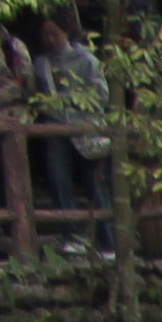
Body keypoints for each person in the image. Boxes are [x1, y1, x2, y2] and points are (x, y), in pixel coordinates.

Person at [29, 15, 109, 250]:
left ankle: (108, 242)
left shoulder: (86, 60)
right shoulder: (41, 62)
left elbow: (102, 94)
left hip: (86, 127)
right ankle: (71, 237)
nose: (50, 39)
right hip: (56, 127)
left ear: (66, 32)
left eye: (54, 33)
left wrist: (69, 99)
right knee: (57, 181)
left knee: (94, 185)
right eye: (46, 34)